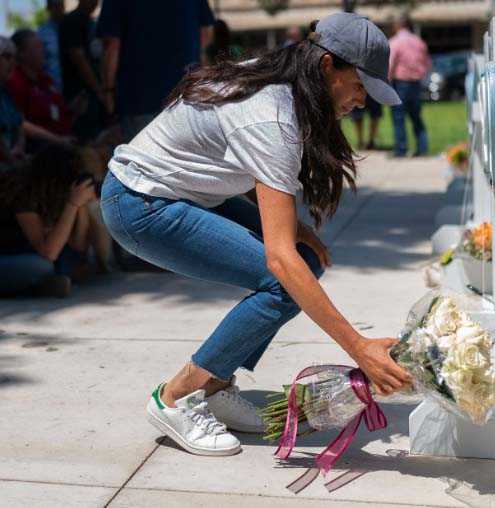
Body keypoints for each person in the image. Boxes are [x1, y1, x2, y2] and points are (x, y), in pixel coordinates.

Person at [100, 13, 408, 457]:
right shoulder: (273, 117)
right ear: (327, 65)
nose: (362, 101)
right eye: (361, 86)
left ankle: (216, 383)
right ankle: (176, 397)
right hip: (140, 204)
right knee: (284, 279)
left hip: (178, 191)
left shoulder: (281, 84)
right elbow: (280, 262)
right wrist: (358, 347)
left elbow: (230, 155)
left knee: (306, 258)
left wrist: (294, 226)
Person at [97, 0, 215, 142]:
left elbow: (111, 46)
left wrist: (108, 90)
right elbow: (206, 32)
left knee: (142, 159)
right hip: (187, 95)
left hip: (139, 96)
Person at [0, 145, 98, 298]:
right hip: (8, 255)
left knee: (80, 261)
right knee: (42, 266)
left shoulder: (54, 199)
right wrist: (72, 205)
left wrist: (81, 206)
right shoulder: (23, 194)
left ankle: (39, 285)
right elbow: (49, 252)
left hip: (26, 254)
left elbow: (79, 246)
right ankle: (36, 287)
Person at [8, 29, 76, 152]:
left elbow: (61, 115)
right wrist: (58, 140)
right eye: (37, 47)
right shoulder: (14, 82)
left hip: (64, 144)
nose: (43, 51)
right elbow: (20, 123)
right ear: (21, 53)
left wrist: (74, 109)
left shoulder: (46, 80)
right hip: (38, 153)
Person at [59, 0, 106, 142]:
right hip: (80, 94)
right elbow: (78, 56)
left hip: (94, 93)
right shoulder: (72, 20)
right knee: (85, 141)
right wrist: (98, 89)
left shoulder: (91, 21)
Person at [389, 15, 431, 157]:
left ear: (398, 25)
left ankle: (401, 149)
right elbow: (427, 63)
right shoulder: (419, 42)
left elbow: (390, 63)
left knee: (398, 117)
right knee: (416, 117)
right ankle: (422, 148)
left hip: (400, 83)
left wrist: (387, 81)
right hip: (416, 83)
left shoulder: (395, 42)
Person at [0, 37, 26, 166]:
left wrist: (19, 147)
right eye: (7, 57)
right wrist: (11, 160)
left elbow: (19, 125)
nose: (13, 63)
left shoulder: (6, 93)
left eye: (14, 58)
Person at [38, 0, 65, 92]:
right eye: (56, 5)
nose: (60, 9)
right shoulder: (42, 32)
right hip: (54, 86)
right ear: (49, 8)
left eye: (61, 5)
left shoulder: (72, 27)